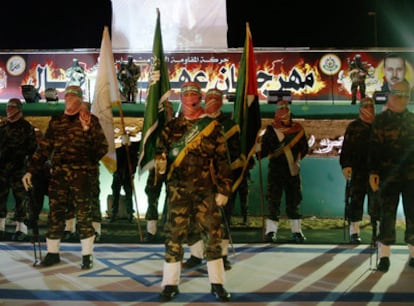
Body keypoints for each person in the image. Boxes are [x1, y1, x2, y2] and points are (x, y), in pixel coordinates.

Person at [157, 82, 232, 302]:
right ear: (181, 99)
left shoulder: (212, 126)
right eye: (186, 95)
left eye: (194, 95)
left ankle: (217, 284)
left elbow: (222, 161)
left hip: (206, 192)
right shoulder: (170, 128)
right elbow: (161, 153)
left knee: (212, 237)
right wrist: (160, 164)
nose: (190, 99)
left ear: (200, 98)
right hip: (177, 191)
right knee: (173, 237)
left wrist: (224, 190)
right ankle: (170, 284)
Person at [22, 85, 108, 270]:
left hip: (82, 176)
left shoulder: (91, 121)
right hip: (59, 175)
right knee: (56, 214)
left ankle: (87, 256)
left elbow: (102, 148)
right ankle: (53, 253)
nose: (69, 99)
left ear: (80, 99)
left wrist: (87, 131)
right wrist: (31, 170)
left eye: (73, 96)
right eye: (67, 96)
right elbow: (45, 148)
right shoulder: (57, 121)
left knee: (84, 215)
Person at [182, 88, 242, 271]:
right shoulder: (196, 122)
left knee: (221, 221)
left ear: (221, 102)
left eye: (215, 99)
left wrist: (221, 176)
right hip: (197, 180)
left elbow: (234, 154)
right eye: (208, 99)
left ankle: (222, 256)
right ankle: (195, 255)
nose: (211, 102)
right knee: (193, 218)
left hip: (220, 180)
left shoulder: (230, 125)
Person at [368, 80, 414, 272]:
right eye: (397, 93)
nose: (401, 98)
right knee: (386, 217)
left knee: (413, 215)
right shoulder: (380, 120)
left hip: (412, 177)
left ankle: (413, 254)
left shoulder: (413, 119)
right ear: (389, 95)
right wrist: (373, 172)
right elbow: (374, 149)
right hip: (388, 177)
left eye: (405, 94)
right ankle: (384, 256)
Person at [257, 99, 309, 243]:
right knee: (274, 201)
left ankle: (297, 231)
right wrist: (258, 147)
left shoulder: (298, 129)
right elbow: (264, 151)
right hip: (276, 171)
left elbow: (304, 148)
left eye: (286, 109)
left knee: (294, 202)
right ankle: (271, 232)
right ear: (276, 113)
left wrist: (296, 160)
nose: (283, 112)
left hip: (292, 170)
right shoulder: (270, 130)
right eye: (280, 109)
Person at [340, 97, 378, 244]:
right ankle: (354, 233)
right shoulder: (353, 127)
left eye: (371, 106)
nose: (368, 109)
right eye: (365, 106)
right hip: (358, 172)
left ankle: (377, 233)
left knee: (376, 205)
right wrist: (345, 165)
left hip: (375, 173)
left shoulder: (379, 126)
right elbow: (346, 149)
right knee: (355, 202)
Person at [0, 98, 37, 242]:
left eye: (13, 107)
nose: (9, 109)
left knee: (21, 198)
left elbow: (33, 149)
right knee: (0, 197)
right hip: (2, 170)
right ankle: (1, 228)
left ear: (19, 109)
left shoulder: (27, 127)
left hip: (20, 169)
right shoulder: (3, 127)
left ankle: (21, 228)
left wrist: (30, 168)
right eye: (8, 107)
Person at [110, 133, 140, 223]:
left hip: (128, 176)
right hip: (118, 175)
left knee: (129, 196)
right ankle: (114, 214)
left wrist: (132, 170)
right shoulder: (118, 151)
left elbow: (136, 163)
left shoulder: (133, 152)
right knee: (115, 195)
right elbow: (113, 163)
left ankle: (130, 214)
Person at [143, 168, 166, 242]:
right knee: (152, 199)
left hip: (174, 165)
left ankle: (173, 231)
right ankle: (151, 232)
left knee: (176, 198)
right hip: (156, 167)